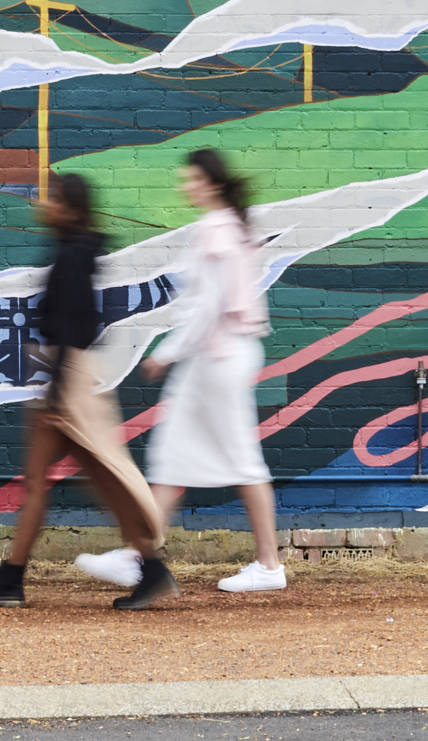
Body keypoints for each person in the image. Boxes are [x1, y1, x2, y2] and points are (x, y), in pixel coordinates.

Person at [0, 172, 178, 610]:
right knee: (90, 480)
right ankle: (16, 579)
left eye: (52, 198)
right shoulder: (72, 252)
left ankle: (14, 580)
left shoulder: (74, 257)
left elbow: (79, 326)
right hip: (65, 378)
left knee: (94, 479)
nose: (42, 203)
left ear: (71, 209)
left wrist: (56, 393)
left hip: (67, 381)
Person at [77, 148, 285, 595]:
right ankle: (140, 555)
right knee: (174, 458)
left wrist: (168, 352)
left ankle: (268, 565)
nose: (183, 186)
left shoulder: (216, 231)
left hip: (218, 358)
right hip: (218, 358)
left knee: (235, 462)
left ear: (210, 183)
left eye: (190, 179)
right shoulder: (229, 226)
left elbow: (209, 306)